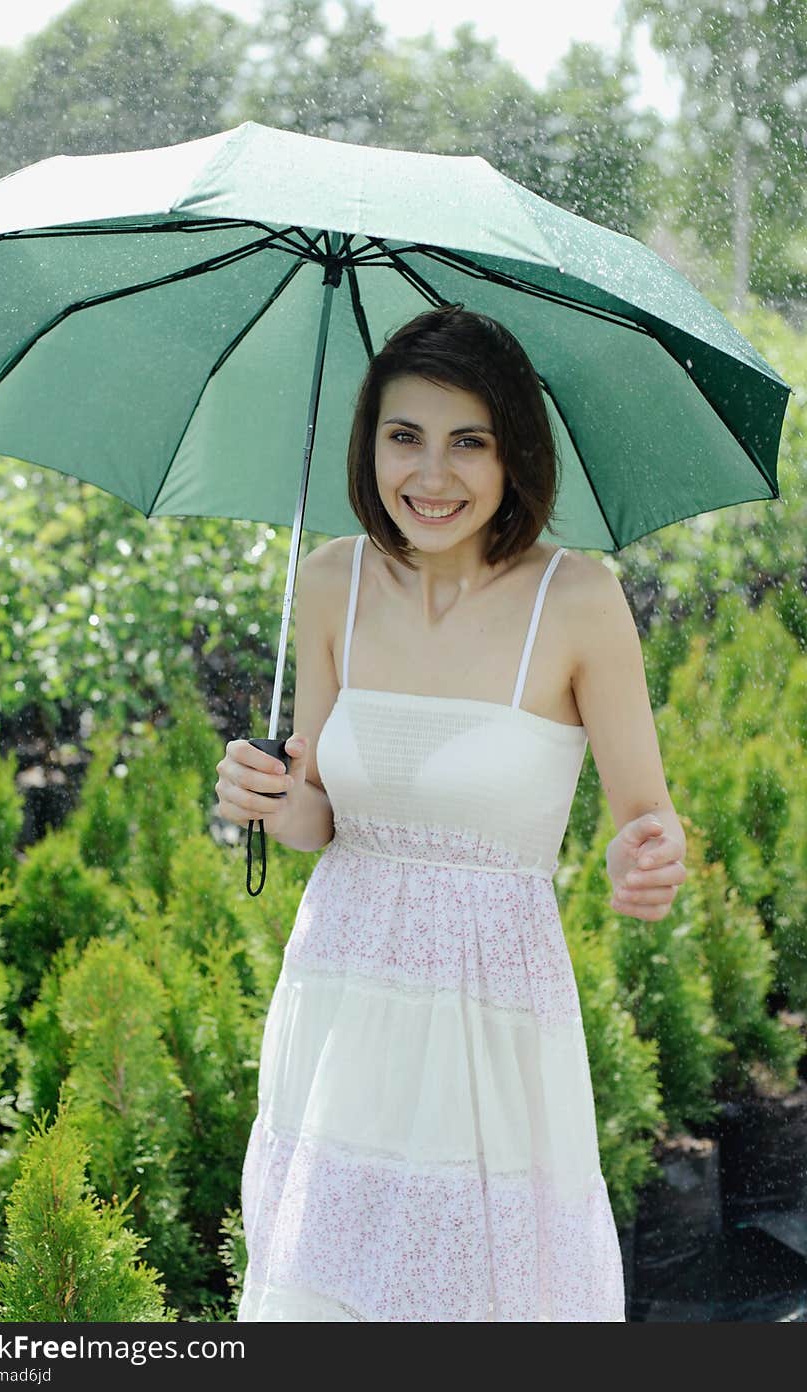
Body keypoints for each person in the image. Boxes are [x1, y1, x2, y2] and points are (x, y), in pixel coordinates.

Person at [215, 303, 687, 1322]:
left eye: (467, 441)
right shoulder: (332, 580)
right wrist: (263, 796)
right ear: (368, 444)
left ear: (513, 449)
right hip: (344, 1003)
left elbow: (647, 819)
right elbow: (320, 820)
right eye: (404, 437)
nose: (430, 477)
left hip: (490, 1019)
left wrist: (645, 858)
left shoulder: (575, 600)